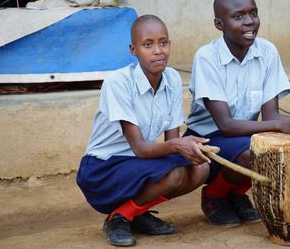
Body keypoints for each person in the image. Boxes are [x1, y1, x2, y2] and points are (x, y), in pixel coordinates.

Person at [185, 0, 290, 228]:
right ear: (219, 24)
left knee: (278, 144)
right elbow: (225, 125)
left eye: (253, 13)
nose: (249, 22)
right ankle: (215, 195)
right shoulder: (206, 57)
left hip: (246, 134)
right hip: (207, 138)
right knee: (253, 151)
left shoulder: (267, 51)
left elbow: (271, 116)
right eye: (238, 16)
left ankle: (235, 194)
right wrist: (281, 124)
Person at [76, 14, 211, 247]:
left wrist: (187, 146)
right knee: (174, 174)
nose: (158, 50)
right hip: (102, 169)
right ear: (133, 49)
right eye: (148, 44)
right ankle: (118, 218)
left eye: (163, 42)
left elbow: (172, 143)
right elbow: (140, 148)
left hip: (138, 164)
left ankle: (136, 212)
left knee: (200, 168)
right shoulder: (118, 82)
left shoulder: (172, 79)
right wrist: (179, 145)